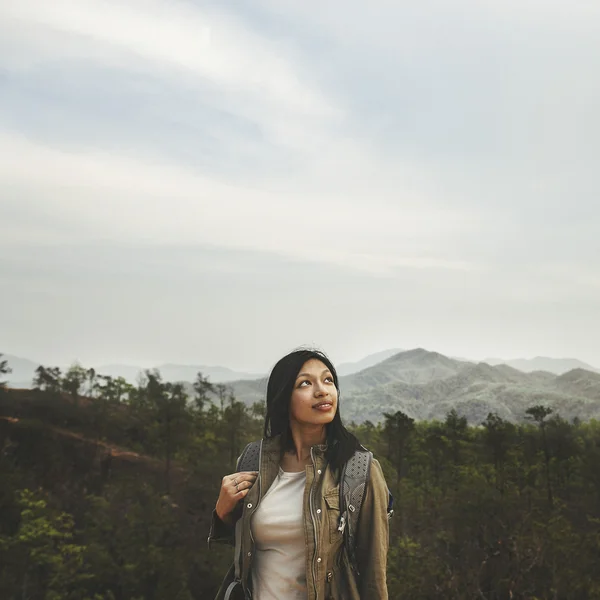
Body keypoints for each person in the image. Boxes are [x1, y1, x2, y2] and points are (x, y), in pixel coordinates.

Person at [208, 348, 390, 600]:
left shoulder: (359, 470)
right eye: (305, 383)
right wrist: (223, 511)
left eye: (328, 380)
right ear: (284, 397)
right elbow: (242, 546)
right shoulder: (253, 459)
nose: (322, 390)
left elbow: (373, 575)